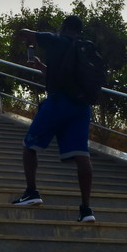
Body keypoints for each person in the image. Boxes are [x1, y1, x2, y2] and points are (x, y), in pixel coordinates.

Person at [13, 15, 96, 223]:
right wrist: (43, 68)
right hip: (82, 107)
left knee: (29, 145)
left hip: (58, 103)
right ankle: (86, 209)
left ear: (64, 27)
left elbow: (23, 32)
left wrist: (31, 39)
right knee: (82, 155)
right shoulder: (84, 48)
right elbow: (67, 76)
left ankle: (32, 192)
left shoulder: (57, 39)